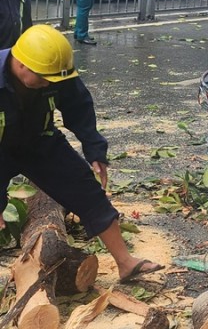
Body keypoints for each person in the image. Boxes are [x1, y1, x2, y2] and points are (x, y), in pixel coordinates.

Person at [0, 25, 165, 282]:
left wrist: (94, 148)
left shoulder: (54, 70)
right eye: (43, 79)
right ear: (21, 64)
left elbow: (78, 106)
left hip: (40, 141)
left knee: (88, 191)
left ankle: (126, 263)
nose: (48, 84)